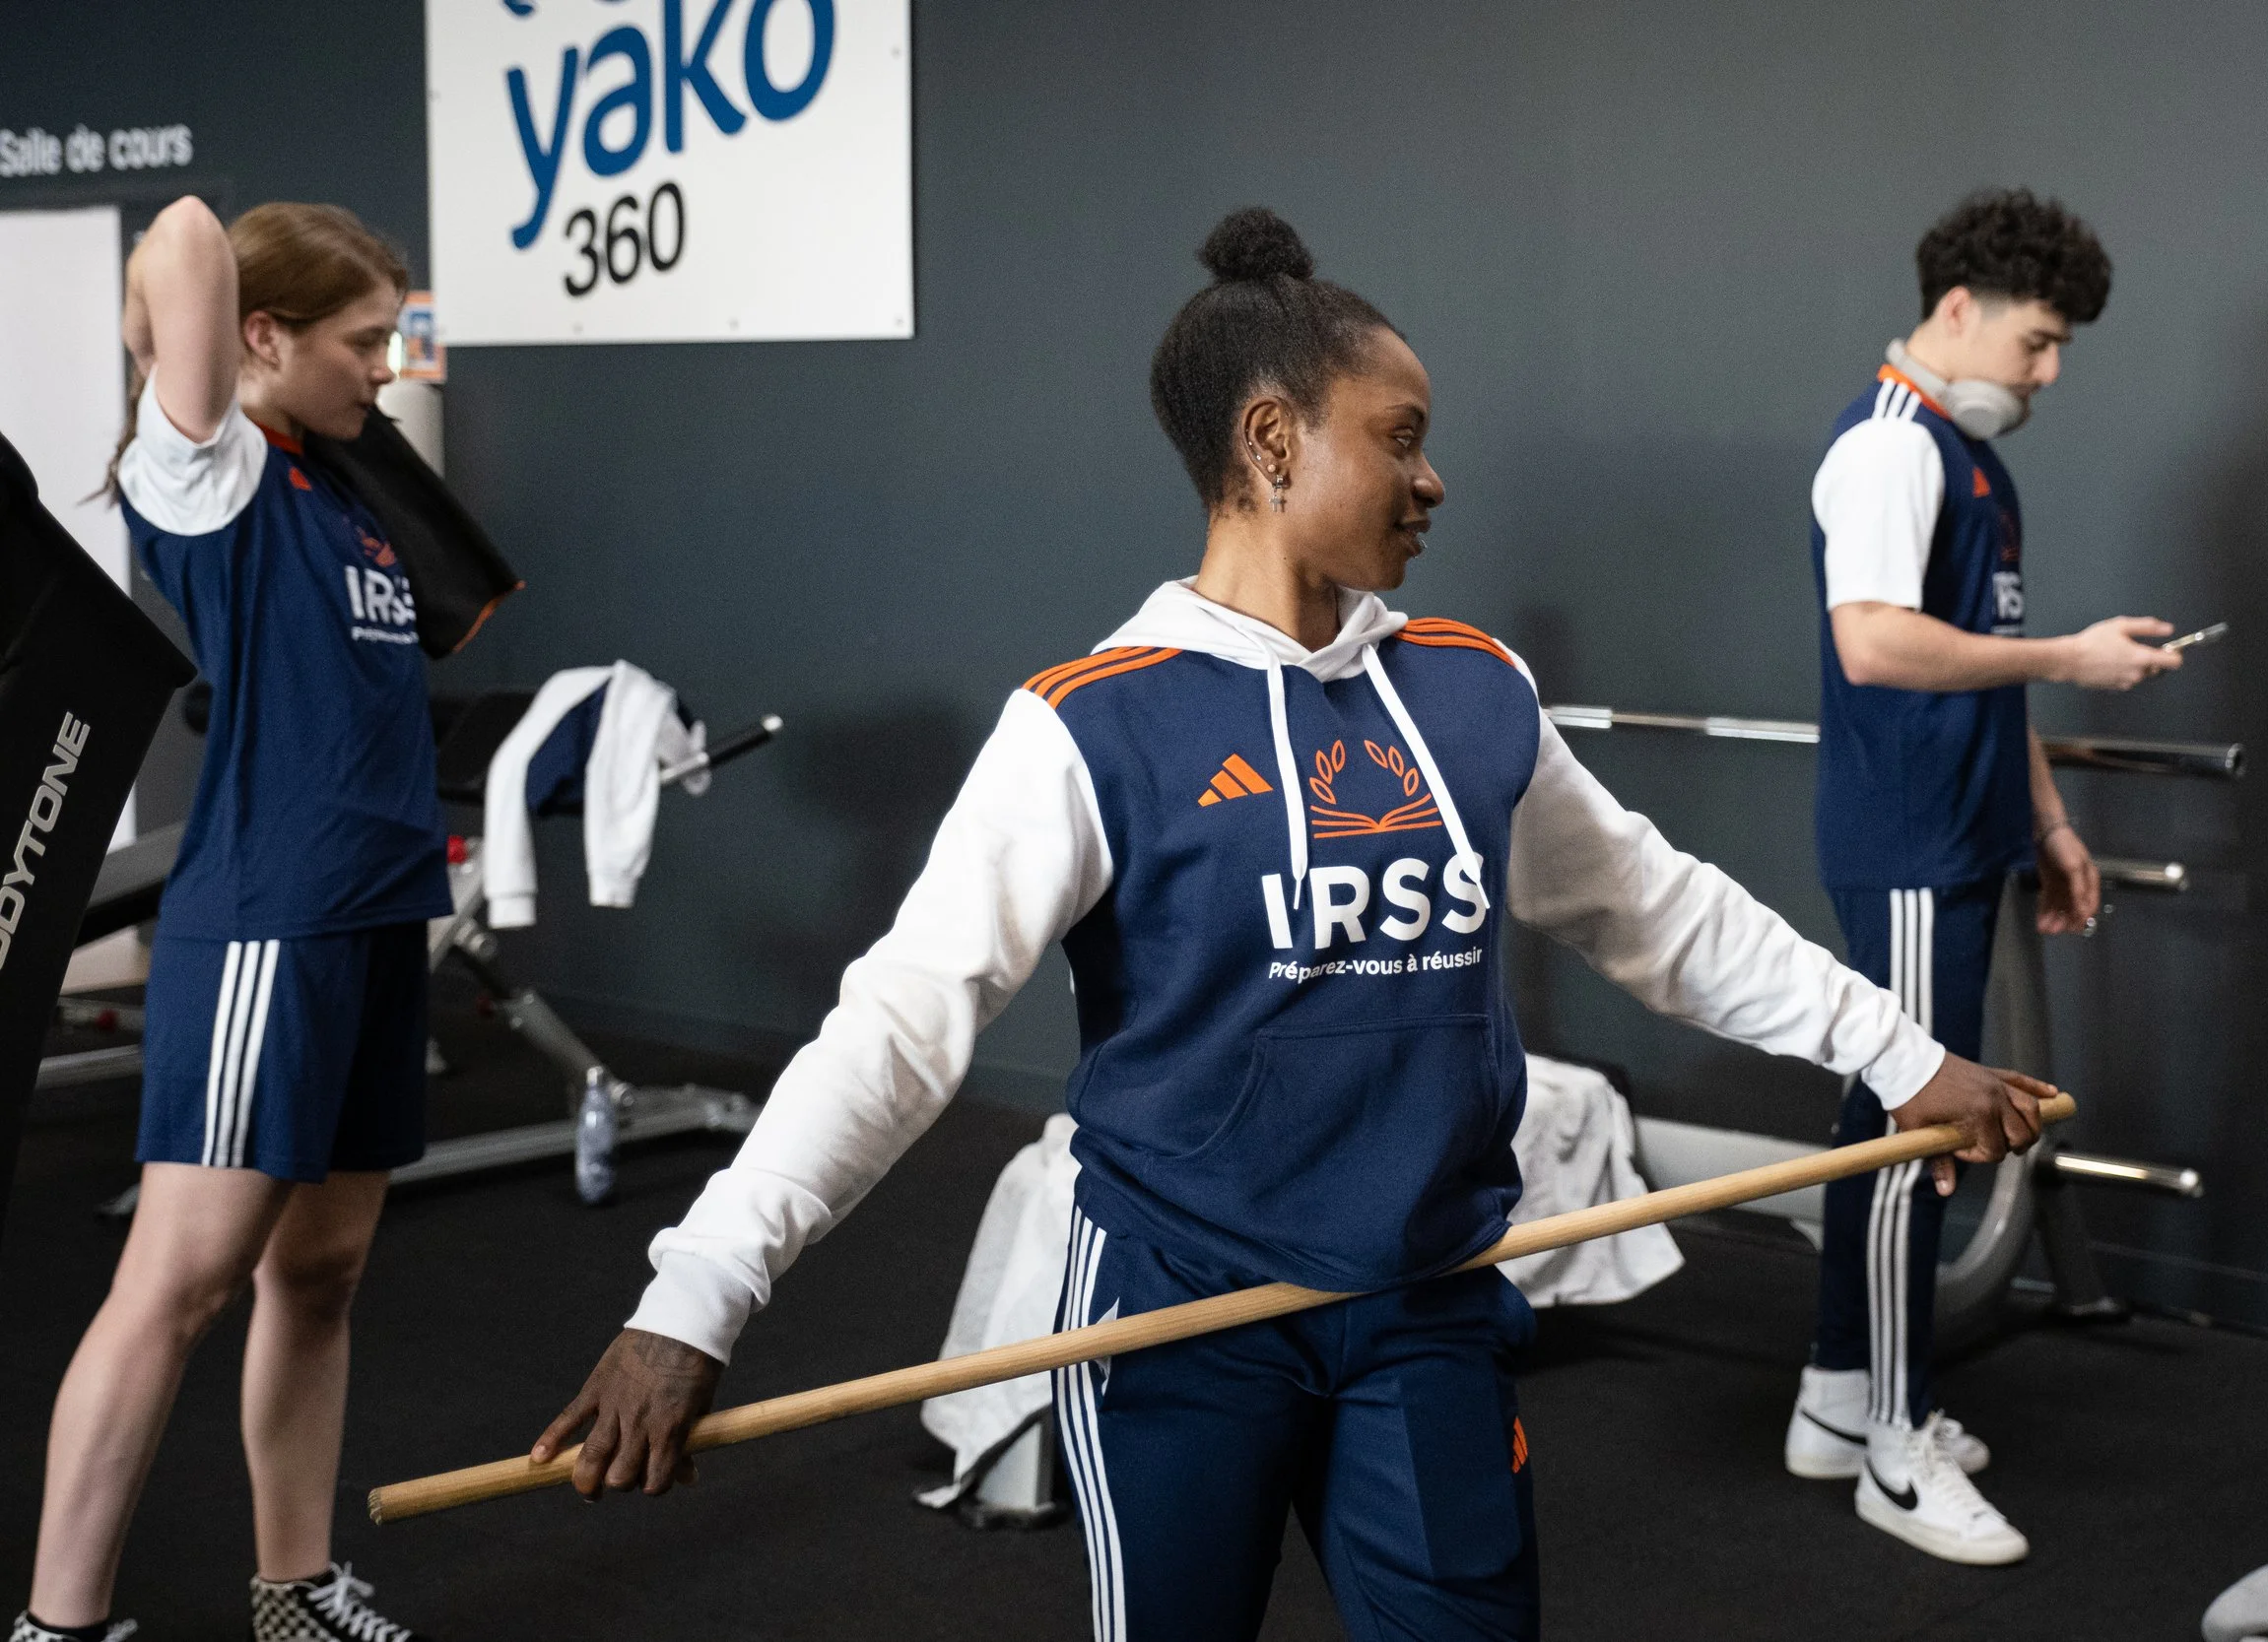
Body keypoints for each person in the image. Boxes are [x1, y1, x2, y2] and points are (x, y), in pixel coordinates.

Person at [539, 206, 2048, 1642]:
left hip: (1425, 1308)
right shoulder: (1090, 726)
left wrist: (1906, 1056)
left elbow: (1663, 913)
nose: (1432, 477)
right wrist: (697, 1296)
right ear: (1272, 444)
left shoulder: (1471, 689)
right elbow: (897, 1030)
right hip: (1177, 1323)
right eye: (1398, 438)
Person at [17, 198, 442, 1642]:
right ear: (262, 337)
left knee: (319, 1271)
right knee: (178, 1282)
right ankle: (59, 1625)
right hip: (272, 918)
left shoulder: (340, 489)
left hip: (377, 915)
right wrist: (171, 345)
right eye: (363, 339)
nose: (387, 366)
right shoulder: (211, 472)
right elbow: (193, 233)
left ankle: (292, 1585)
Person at [1782, 188, 2178, 1565]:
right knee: (1920, 1136)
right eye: (2039, 342)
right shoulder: (1889, 452)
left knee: (1888, 1123)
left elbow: (1984, 661)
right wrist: (2074, 658)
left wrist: (2051, 823)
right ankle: (1895, 1444)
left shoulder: (1974, 462)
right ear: (1960, 310)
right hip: (1902, 843)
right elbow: (1880, 645)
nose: (2050, 373)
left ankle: (1840, 1398)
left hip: (1965, 830)